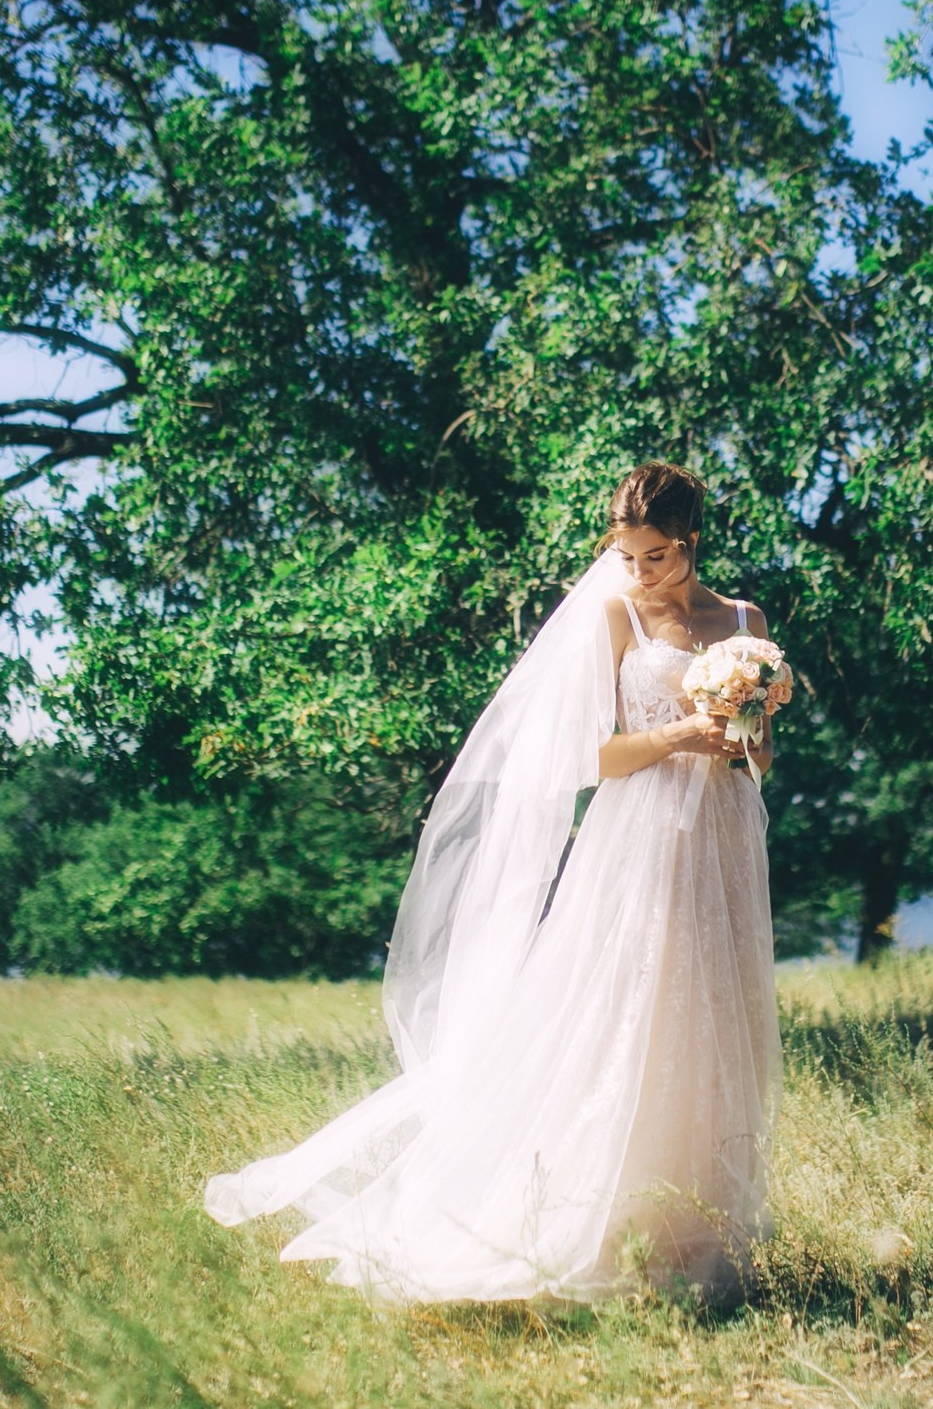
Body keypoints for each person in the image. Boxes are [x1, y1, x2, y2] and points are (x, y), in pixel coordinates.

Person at [203, 462, 782, 1303]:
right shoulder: (615, 615)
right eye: (626, 555)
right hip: (641, 838)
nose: (638, 572)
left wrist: (742, 735)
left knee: (716, 1009)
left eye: (654, 556)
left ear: (689, 544)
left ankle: (696, 1229)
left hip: (724, 836)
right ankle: (604, 1219)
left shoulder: (743, 621)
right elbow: (587, 757)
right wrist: (679, 735)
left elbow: (760, 751)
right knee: (635, 1015)